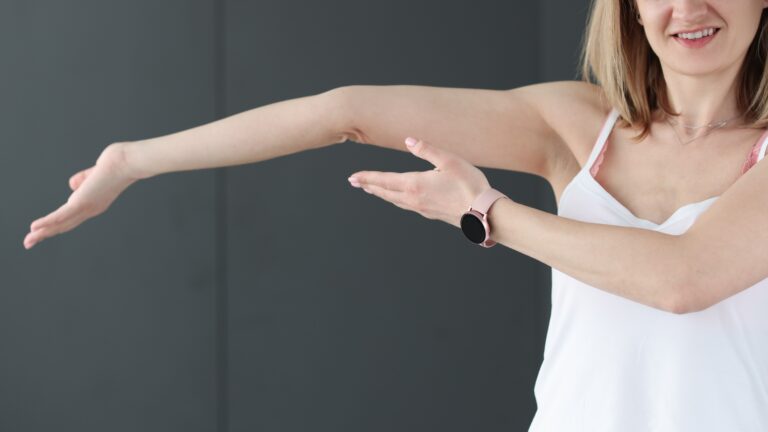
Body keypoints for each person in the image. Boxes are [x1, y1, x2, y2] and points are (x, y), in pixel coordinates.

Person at [23, 0, 768, 429]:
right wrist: (133, 160)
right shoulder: (576, 126)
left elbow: (683, 280)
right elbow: (343, 112)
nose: (689, 8)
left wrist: (486, 212)